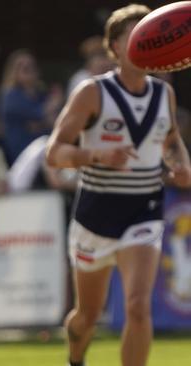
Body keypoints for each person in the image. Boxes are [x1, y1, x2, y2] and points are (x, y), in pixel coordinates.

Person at [45, 5, 191, 366]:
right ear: (114, 47)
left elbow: (171, 139)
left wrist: (181, 164)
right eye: (136, 34)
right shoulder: (92, 93)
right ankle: (75, 358)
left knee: (138, 307)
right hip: (94, 217)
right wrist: (95, 155)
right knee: (87, 317)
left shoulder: (163, 94)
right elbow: (55, 152)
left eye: (150, 32)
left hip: (144, 211)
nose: (149, 39)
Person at [0, 49, 64, 164]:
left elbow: (55, 122)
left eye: (31, 66)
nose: (27, 69)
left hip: (45, 150)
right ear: (13, 71)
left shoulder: (40, 94)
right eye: (22, 66)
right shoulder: (10, 95)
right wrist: (54, 102)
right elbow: (40, 114)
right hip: (22, 156)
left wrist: (42, 121)